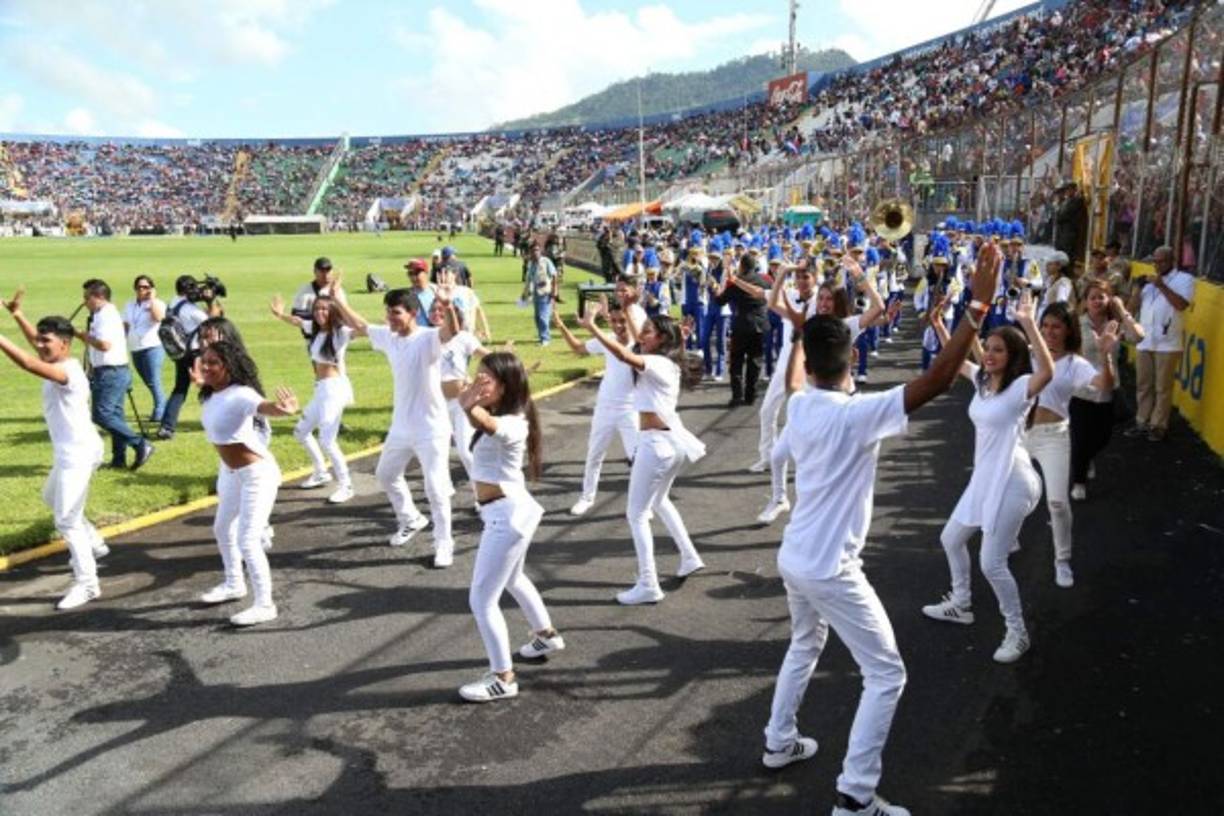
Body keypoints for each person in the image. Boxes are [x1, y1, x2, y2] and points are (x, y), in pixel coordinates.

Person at [759, 242, 1003, 816]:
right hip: (828, 567)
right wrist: (977, 309)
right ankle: (855, 795)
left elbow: (803, 374)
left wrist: (800, 330)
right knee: (886, 673)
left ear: (809, 360)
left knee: (805, 643)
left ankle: (778, 740)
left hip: (795, 557)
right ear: (851, 359)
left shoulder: (801, 406)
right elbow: (939, 380)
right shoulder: (855, 411)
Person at [921, 289, 1053, 662]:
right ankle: (961, 603)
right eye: (988, 347)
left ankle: (1017, 632)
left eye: (999, 350)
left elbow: (1047, 372)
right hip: (985, 478)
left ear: (1012, 357)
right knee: (950, 539)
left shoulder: (1018, 390)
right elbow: (958, 359)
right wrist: (940, 325)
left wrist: (1028, 323)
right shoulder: (982, 380)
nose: (990, 354)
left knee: (992, 563)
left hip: (1012, 482)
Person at [456, 352, 564, 702]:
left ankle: (503, 678)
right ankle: (546, 634)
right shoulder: (504, 413)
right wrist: (471, 402)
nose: (480, 382)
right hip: (509, 512)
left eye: (488, 379)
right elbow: (482, 421)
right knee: (514, 579)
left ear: (506, 386)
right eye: (479, 375)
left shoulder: (514, 422)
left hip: (508, 516)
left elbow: (487, 425)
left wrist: (467, 405)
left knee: (482, 600)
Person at [579, 307, 705, 605]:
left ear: (660, 339)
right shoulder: (666, 362)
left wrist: (592, 327)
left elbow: (625, 355)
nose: (640, 335)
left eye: (646, 331)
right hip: (670, 442)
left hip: (657, 445)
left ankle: (648, 583)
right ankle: (689, 556)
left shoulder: (658, 363)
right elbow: (633, 349)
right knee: (659, 502)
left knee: (636, 514)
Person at [332, 288, 459, 567]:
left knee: (436, 488)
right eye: (388, 312)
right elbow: (362, 326)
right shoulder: (389, 337)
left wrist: (447, 306)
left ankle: (444, 543)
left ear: (413, 313)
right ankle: (411, 518)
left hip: (432, 428)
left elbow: (451, 332)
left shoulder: (428, 338)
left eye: (396, 312)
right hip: (401, 427)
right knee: (386, 474)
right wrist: (339, 301)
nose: (390, 317)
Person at [0, 291, 107, 610]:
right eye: (41, 340)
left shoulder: (68, 372)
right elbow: (37, 347)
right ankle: (95, 541)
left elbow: (29, 362)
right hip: (72, 450)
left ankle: (88, 584)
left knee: (65, 520)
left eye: (48, 341)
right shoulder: (58, 357)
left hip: (78, 453)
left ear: (65, 343)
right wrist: (18, 315)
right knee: (51, 497)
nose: (42, 345)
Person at [196, 341, 297, 626]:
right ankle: (234, 584)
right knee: (221, 528)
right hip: (231, 473)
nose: (206, 367)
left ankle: (265, 604)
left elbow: (263, 406)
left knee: (248, 539)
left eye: (214, 362)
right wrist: (198, 379)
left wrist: (283, 409)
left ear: (229, 365)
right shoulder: (212, 394)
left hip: (257, 475)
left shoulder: (241, 394)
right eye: (204, 361)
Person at [1024, 302, 1118, 588]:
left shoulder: (1074, 363)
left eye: (1057, 326)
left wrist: (1106, 355)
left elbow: (1104, 385)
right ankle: (1005, 539)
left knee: (1057, 502)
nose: (1050, 332)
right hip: (1020, 435)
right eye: (1046, 325)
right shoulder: (1025, 356)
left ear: (1068, 331)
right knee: (1005, 492)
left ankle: (1062, 560)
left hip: (1054, 436)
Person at [551, 305, 638, 516]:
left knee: (638, 459)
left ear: (630, 318)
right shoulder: (606, 339)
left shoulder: (640, 343)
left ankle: (640, 503)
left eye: (622, 321)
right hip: (605, 408)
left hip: (630, 410)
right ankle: (587, 497)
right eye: (614, 321)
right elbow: (578, 348)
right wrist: (561, 326)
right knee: (594, 454)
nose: (618, 326)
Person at [270, 292, 355, 504]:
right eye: (317, 309)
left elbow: (361, 330)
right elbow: (298, 321)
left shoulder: (340, 332)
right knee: (300, 432)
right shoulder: (317, 330)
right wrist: (280, 315)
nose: (320, 313)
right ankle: (320, 471)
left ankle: (346, 485)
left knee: (327, 440)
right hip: (320, 390)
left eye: (325, 309)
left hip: (334, 391)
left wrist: (342, 303)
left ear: (333, 311)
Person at [1070, 281, 1144, 500]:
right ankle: (1079, 482)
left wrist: (1122, 311)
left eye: (1101, 297)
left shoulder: (1115, 324)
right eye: (1092, 297)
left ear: (1109, 299)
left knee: (1103, 437)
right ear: (1085, 301)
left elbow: (1138, 337)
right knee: (1081, 438)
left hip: (1108, 389)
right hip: (1081, 390)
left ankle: (1088, 457)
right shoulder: (1077, 323)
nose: (1096, 301)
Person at [78, 279, 154, 470]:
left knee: (101, 415)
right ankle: (119, 459)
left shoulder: (105, 315)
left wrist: (83, 336)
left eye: (87, 297)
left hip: (110, 372)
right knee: (116, 416)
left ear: (100, 297)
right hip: (114, 370)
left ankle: (140, 444)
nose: (84, 301)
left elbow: (104, 345)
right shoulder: (103, 314)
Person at [1127, 245, 1196, 442]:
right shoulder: (1148, 282)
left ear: (1172, 261)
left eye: (1161, 261)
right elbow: (1131, 309)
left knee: (1162, 388)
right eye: (1155, 261)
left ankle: (1158, 425)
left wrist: (1162, 286)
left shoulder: (1184, 280)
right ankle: (1142, 421)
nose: (1157, 265)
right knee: (1143, 385)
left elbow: (1181, 305)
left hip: (1168, 342)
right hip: (1145, 340)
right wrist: (1137, 289)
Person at [430, 298, 491, 504]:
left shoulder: (463, 338)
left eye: (442, 310)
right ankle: (444, 490)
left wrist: (507, 361)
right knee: (438, 451)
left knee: (465, 451)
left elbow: (486, 356)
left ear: (453, 314)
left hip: (461, 403)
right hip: (436, 404)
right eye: (434, 310)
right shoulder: (426, 337)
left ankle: (481, 496)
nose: (437, 313)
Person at [159, 275, 222, 440]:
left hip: (179, 352)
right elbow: (214, 321)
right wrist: (210, 302)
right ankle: (220, 419)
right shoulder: (191, 310)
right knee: (210, 386)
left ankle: (166, 426)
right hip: (195, 353)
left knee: (179, 389)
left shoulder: (172, 303)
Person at [716, 254, 770, 407]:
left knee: (736, 362)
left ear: (742, 266)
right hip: (759, 325)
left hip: (741, 325)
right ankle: (750, 395)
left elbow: (720, 301)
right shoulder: (764, 281)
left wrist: (716, 289)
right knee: (755, 361)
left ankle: (737, 396)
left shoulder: (736, 283)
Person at [122, 275, 167, 425]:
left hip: (152, 346)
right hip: (135, 347)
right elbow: (126, 325)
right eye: (139, 287)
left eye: (146, 287)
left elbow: (159, 317)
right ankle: (160, 407)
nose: (142, 290)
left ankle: (160, 411)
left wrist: (152, 299)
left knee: (154, 380)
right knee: (147, 381)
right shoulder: (130, 305)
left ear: (151, 289)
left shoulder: (157, 303)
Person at [522, 243, 558, 346]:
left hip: (545, 293)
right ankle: (542, 336)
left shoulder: (546, 261)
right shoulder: (531, 264)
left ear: (540, 251)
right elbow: (529, 280)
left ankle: (545, 339)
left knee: (543, 316)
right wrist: (524, 293)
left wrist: (554, 290)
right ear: (530, 252)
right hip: (535, 294)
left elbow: (554, 275)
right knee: (537, 317)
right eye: (533, 250)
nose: (535, 252)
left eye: (537, 250)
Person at [405, 258, 437, 328]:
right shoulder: (406, 296)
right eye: (410, 273)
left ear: (427, 272)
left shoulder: (437, 291)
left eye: (417, 273)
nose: (413, 277)